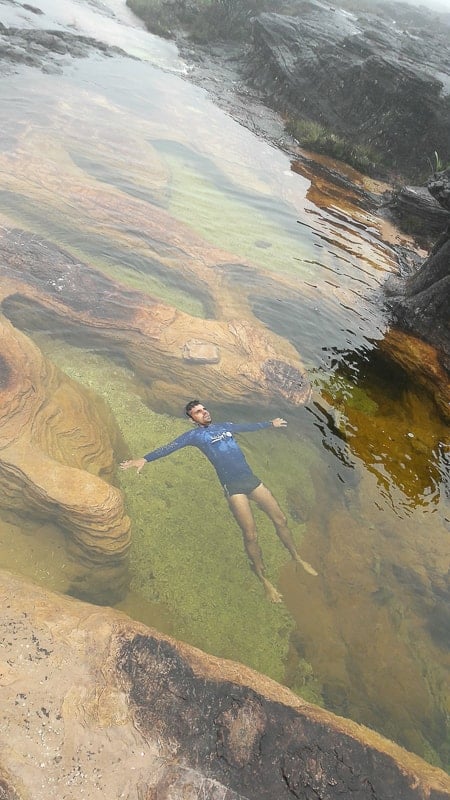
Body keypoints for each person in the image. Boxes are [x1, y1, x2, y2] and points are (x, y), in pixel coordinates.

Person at [120, 400, 317, 603]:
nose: (204, 412)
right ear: (191, 419)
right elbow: (170, 447)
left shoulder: (226, 426)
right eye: (197, 412)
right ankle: (264, 580)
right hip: (234, 489)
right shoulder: (194, 436)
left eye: (204, 409)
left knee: (281, 519)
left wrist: (269, 423)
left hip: (252, 481)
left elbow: (248, 427)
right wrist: (145, 459)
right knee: (250, 534)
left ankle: (296, 557)